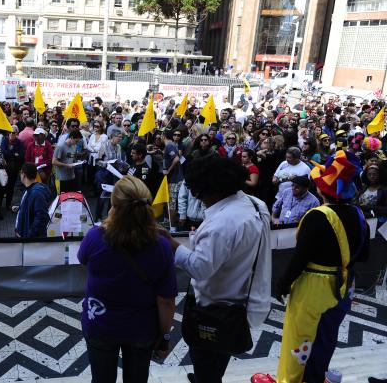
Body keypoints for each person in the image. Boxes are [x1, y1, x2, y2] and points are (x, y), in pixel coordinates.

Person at [168, 155, 271, 383]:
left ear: (211, 189)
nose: (199, 198)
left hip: (212, 305)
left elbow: (199, 269)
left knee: (206, 358)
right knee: (218, 356)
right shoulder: (256, 205)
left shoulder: (221, 224)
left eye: (200, 192)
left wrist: (171, 243)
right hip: (241, 301)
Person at [275, 151, 369, 383]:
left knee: (300, 339)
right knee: (326, 337)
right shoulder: (359, 215)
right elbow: (364, 255)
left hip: (314, 285)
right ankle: (316, 377)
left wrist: (283, 284)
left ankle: (293, 380)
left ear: (323, 189)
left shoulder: (317, 215)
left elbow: (300, 257)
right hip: (345, 285)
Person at [78, 175, 176, 383]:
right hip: (141, 329)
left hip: (100, 324)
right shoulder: (160, 245)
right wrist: (165, 337)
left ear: (114, 206)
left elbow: (83, 259)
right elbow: (166, 301)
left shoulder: (95, 237)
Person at [15, 163, 52, 238]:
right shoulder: (29, 189)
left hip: (28, 239)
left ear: (24, 174)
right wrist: (20, 207)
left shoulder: (36, 193)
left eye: (20, 173)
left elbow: (42, 217)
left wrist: (29, 236)